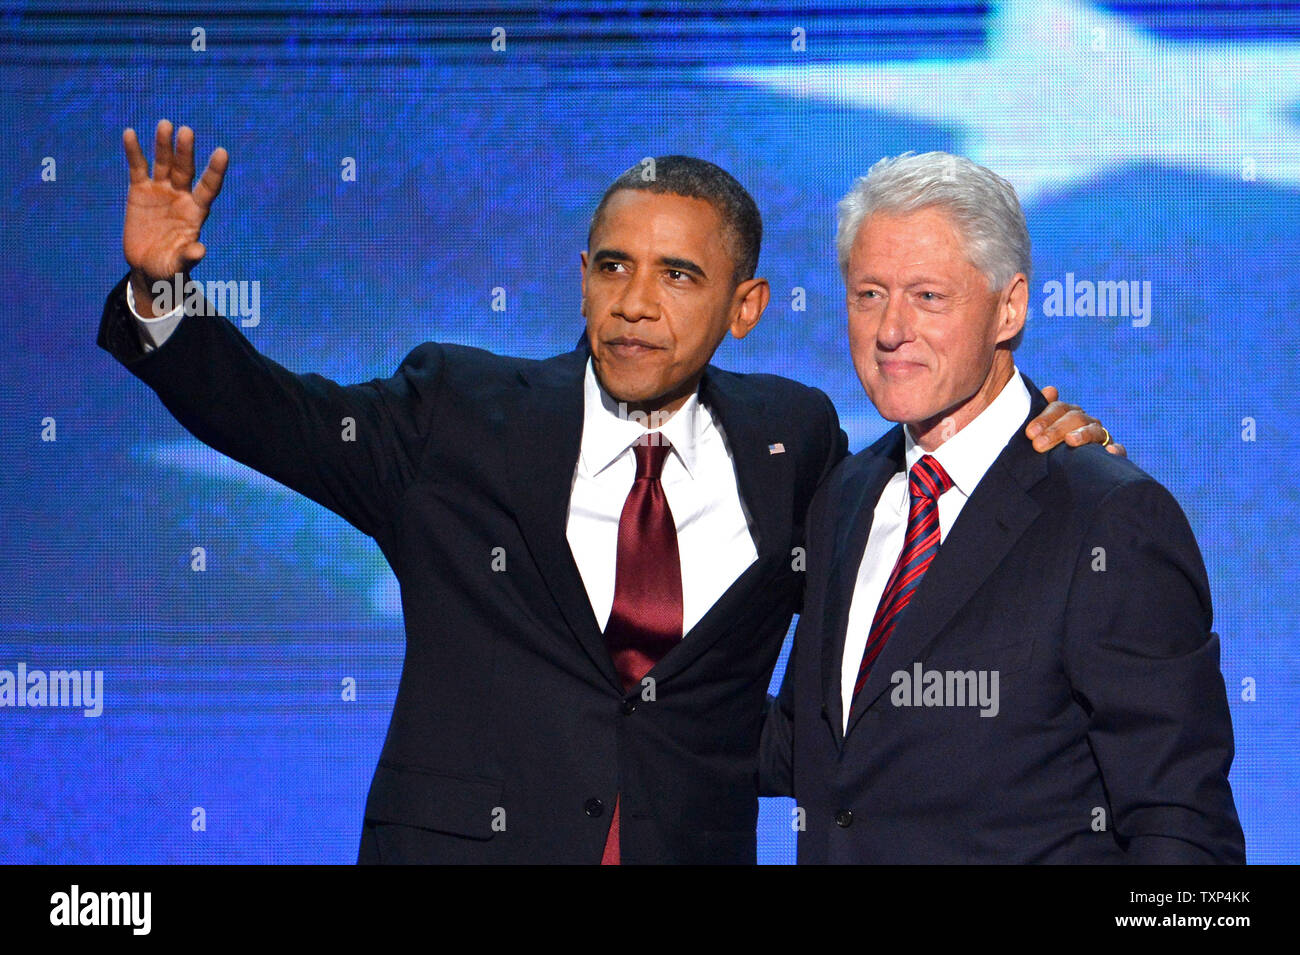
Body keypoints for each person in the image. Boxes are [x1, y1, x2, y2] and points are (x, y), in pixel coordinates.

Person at [99, 122, 1115, 863]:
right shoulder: (458, 412)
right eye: (615, 268)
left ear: (743, 306)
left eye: (678, 275)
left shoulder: (791, 439)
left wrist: (1032, 439)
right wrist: (161, 297)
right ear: (581, 276)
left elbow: (907, 576)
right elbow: (268, 414)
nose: (635, 303)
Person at [760, 151, 1245, 864]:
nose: (891, 329)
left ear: (1009, 307)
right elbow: (812, 743)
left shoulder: (1110, 518)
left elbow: (1183, 831)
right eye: (869, 294)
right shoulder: (846, 495)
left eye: (927, 296)